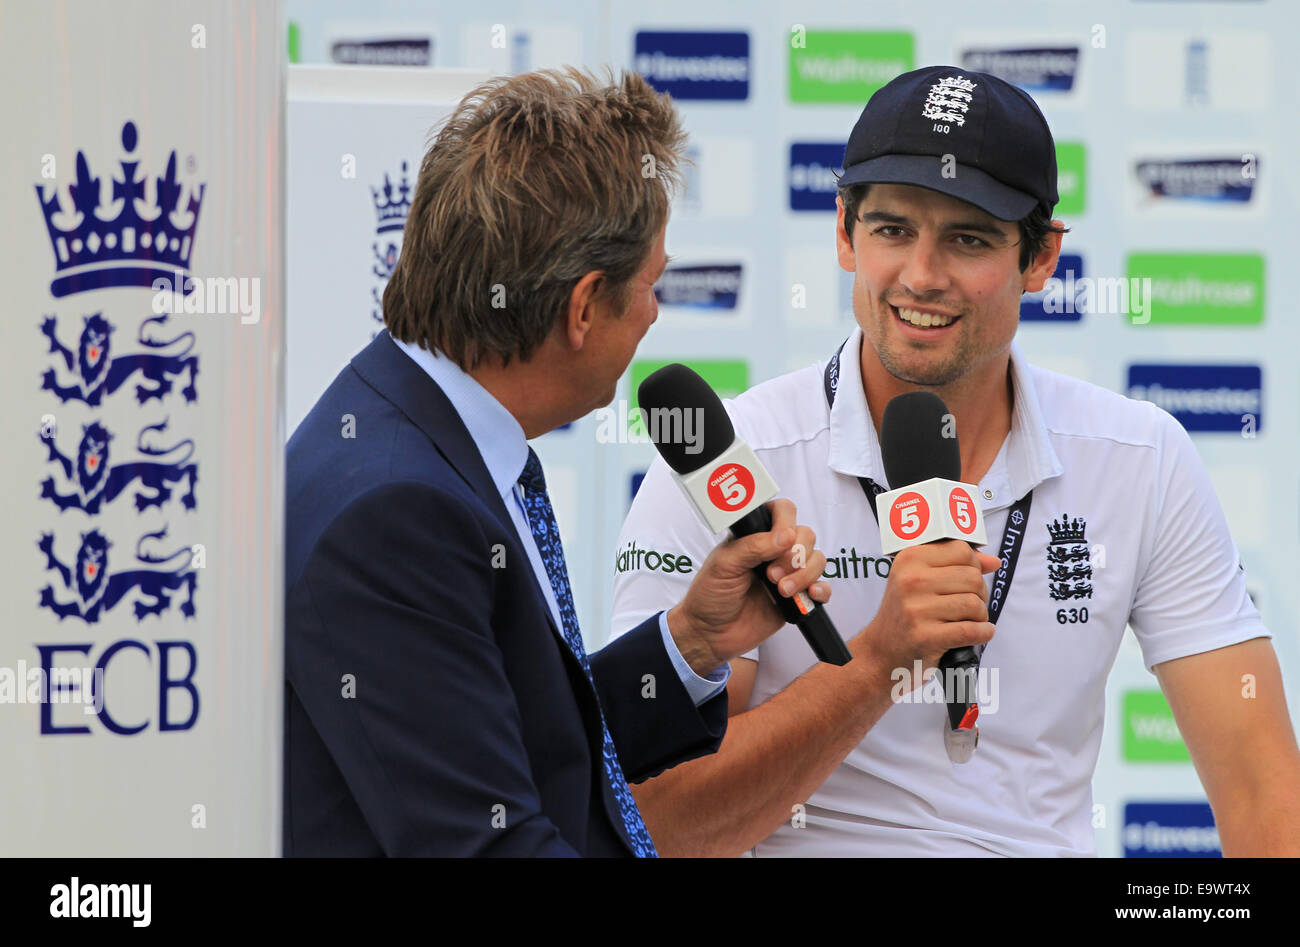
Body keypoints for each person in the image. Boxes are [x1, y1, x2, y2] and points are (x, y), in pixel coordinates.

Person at [610, 65, 1300, 856]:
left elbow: (1262, 792)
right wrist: (877, 663)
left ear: (1040, 259)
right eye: (893, 229)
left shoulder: (1139, 457)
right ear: (843, 233)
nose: (922, 275)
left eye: (968, 238)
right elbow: (660, 823)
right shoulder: (730, 460)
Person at [282, 68, 830, 857]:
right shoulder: (398, 509)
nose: (655, 311)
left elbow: (523, 746)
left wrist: (689, 643)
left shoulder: (426, 440)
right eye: (652, 284)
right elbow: (487, 841)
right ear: (582, 308)